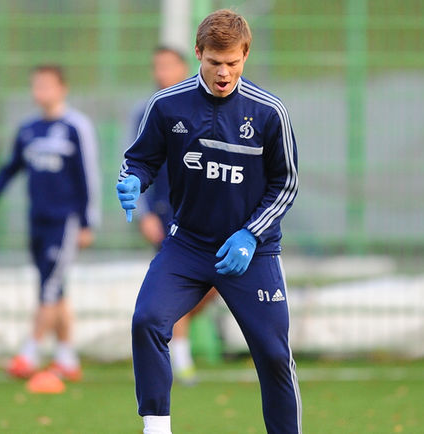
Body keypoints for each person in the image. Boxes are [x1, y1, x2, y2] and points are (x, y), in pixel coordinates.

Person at [116, 10, 300, 434]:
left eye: (232, 63)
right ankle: (157, 427)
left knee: (274, 355)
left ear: (245, 56)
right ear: (198, 53)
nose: (223, 72)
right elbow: (140, 159)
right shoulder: (166, 105)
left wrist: (251, 234)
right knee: (147, 320)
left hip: (250, 252)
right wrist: (131, 182)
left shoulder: (270, 112)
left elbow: (286, 184)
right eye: (214, 61)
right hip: (188, 244)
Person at [0, 65, 101, 381]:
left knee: (50, 288)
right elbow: (9, 169)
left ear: (62, 88)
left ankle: (29, 352)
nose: (40, 92)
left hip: (64, 222)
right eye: (36, 86)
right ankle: (67, 357)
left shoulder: (75, 126)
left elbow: (88, 176)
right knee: (55, 288)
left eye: (47, 86)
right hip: (36, 219)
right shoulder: (28, 129)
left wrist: (87, 222)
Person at [130, 46, 218, 385]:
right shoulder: (147, 110)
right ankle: (180, 359)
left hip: (205, 213)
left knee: (213, 287)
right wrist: (143, 214)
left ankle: (171, 337)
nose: (162, 72)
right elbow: (132, 161)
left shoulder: (204, 106)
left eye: (169, 65)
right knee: (178, 282)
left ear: (185, 66)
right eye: (157, 66)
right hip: (166, 214)